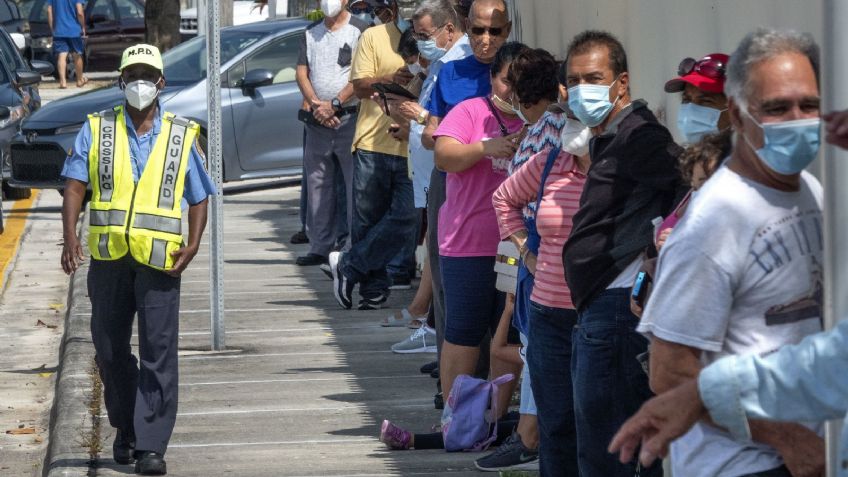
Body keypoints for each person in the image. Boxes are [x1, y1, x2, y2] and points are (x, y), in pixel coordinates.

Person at [637, 28, 825, 477]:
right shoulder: (715, 222)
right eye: (777, 108)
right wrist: (787, 436)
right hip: (739, 465)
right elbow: (668, 374)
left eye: (808, 105)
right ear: (738, 117)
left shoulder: (809, 193)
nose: (797, 119)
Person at [59, 44, 216, 476]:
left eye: (148, 75)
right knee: (109, 350)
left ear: (161, 83)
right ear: (121, 81)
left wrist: (195, 242)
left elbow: (200, 196)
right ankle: (126, 428)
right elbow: (74, 185)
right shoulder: (98, 129)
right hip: (109, 258)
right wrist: (70, 235)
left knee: (158, 351)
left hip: (161, 260)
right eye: (133, 75)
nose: (140, 83)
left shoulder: (182, 134)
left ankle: (151, 444)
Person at [560, 30, 685, 477]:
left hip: (615, 311)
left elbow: (685, 189)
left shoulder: (639, 135)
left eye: (593, 78)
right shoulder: (609, 135)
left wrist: (651, 258)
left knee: (607, 452)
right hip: (600, 308)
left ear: (622, 83)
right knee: (611, 444)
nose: (582, 90)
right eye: (574, 80)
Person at [491, 48, 589, 477]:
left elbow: (521, 195)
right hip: (539, 256)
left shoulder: (556, 129)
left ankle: (529, 436)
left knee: (546, 363)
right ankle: (531, 435)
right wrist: (523, 252)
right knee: (538, 355)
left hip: (557, 260)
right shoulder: (547, 129)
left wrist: (526, 252)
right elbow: (508, 195)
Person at [433, 41, 526, 407]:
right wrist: (485, 148)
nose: (512, 89)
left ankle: (495, 415)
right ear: (492, 77)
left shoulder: (536, 117)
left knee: (510, 335)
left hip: (517, 246)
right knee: (464, 332)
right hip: (468, 244)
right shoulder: (469, 111)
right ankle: (456, 414)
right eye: (506, 80)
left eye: (520, 81)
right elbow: (444, 156)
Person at [329, 0, 416, 311]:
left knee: (408, 218)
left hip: (414, 145)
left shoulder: (431, 41)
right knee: (368, 221)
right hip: (372, 143)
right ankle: (374, 289)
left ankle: (349, 266)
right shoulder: (373, 36)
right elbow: (359, 86)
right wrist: (391, 80)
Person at [295, 0, 367, 267]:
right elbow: (302, 73)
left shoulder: (360, 29)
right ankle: (319, 246)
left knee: (354, 185)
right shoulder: (310, 33)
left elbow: (359, 75)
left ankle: (352, 246)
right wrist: (316, 104)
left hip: (349, 118)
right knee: (317, 184)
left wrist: (335, 104)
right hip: (317, 122)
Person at [665, 53, 731, 144]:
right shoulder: (689, 157)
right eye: (686, 99)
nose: (690, 111)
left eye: (705, 101)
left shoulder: (750, 156)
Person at [47, 0, 87, 89]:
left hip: (59, 30)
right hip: (74, 30)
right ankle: (80, 80)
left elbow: (49, 10)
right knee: (77, 55)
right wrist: (83, 27)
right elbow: (80, 12)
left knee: (62, 55)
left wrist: (52, 28)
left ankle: (63, 82)